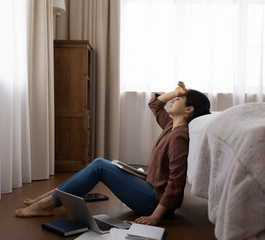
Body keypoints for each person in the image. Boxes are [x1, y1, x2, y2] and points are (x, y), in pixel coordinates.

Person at [15, 81, 211, 225]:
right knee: (104, 164)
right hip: (150, 187)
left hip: (154, 202)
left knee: (100, 165)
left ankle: (48, 204)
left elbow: (176, 183)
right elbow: (155, 104)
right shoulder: (171, 125)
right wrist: (175, 92)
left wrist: (155, 216)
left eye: (178, 99)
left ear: (189, 109)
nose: (173, 100)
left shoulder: (179, 136)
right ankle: (50, 198)